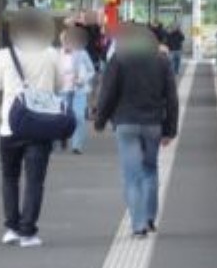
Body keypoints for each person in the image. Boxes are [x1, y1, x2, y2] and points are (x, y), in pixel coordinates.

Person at [94, 24, 180, 237]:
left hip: (126, 124)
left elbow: (107, 93)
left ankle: (138, 224)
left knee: (132, 176)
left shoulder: (118, 60)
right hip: (153, 124)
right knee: (150, 169)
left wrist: (100, 120)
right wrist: (170, 129)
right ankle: (149, 218)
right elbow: (171, 98)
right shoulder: (162, 61)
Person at [0, 9, 60, 248]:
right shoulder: (51, 54)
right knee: (35, 180)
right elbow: (60, 85)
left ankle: (11, 228)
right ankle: (28, 232)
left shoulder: (4, 54)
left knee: (10, 178)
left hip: (10, 126)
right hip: (41, 124)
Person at [58, 26, 95, 154]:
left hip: (78, 90)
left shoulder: (82, 53)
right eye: (64, 40)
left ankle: (77, 145)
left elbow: (91, 70)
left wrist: (82, 79)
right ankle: (62, 136)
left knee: (79, 117)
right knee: (62, 117)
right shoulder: (56, 54)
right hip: (62, 90)